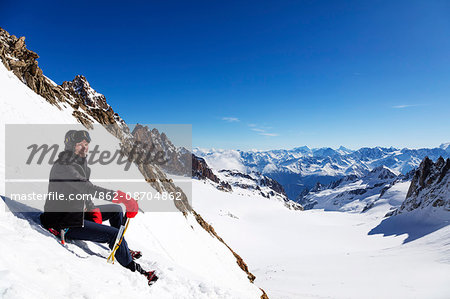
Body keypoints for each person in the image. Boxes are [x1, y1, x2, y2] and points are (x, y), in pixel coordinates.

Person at [40, 130, 158, 286]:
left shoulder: (79, 163)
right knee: (113, 234)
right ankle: (134, 270)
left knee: (116, 210)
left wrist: (91, 207)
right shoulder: (64, 166)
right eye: (79, 144)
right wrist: (122, 197)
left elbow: (79, 191)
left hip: (76, 212)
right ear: (70, 145)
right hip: (63, 222)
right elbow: (86, 188)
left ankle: (121, 247)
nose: (84, 148)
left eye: (86, 144)